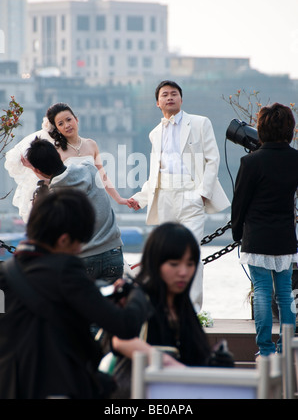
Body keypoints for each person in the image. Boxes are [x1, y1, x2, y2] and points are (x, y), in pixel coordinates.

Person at [0, 189, 150, 399]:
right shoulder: (65, 270)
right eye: (79, 242)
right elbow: (125, 325)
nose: (80, 250)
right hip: (57, 388)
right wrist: (137, 293)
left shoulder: (5, 273)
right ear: (63, 240)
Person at [129, 80, 230, 313]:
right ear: (158, 102)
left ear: (181, 99)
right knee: (166, 255)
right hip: (164, 197)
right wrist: (141, 198)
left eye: (174, 94)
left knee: (190, 253)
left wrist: (201, 195)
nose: (170, 97)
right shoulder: (155, 133)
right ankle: (168, 309)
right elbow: (156, 173)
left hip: (191, 196)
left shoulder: (200, 122)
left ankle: (192, 311)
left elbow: (212, 160)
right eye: (164, 95)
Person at [110, 222, 213, 398]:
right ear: (155, 263)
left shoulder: (182, 306)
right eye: (174, 264)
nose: (183, 272)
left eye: (190, 264)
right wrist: (172, 366)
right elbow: (121, 340)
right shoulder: (140, 297)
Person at [231, 102, 298, 357]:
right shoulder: (295, 160)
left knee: (261, 290)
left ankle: (266, 349)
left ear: (261, 129)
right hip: (284, 236)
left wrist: (237, 234)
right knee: (284, 293)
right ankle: (285, 349)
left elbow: (240, 203)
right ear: (289, 129)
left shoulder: (250, 162)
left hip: (257, 236)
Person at [5, 102, 131, 222]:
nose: (66, 125)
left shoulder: (91, 144)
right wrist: (32, 168)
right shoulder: (57, 150)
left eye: (69, 120)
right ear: (57, 129)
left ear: (76, 119)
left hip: (93, 202)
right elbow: (51, 180)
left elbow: (102, 176)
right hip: (69, 205)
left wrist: (119, 199)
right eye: (60, 123)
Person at [26, 137, 124, 283]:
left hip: (81, 260)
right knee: (112, 303)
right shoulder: (89, 169)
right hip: (113, 253)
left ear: (37, 170)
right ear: (59, 156)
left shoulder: (51, 199)